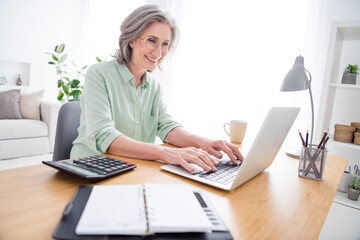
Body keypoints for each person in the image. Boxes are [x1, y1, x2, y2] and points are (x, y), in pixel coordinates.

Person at [70, 4, 243, 172]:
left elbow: (166, 127)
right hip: (90, 168)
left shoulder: (154, 86)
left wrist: (203, 142)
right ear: (131, 39)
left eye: (165, 44)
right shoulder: (98, 74)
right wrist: (167, 153)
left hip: (132, 168)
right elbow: (104, 136)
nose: (159, 53)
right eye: (152, 41)